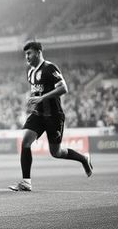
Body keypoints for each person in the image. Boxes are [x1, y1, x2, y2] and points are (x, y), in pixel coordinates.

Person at [9, 41, 92, 191]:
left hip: (54, 115)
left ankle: (83, 158)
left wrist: (42, 98)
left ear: (38, 52)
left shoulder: (49, 68)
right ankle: (26, 182)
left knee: (56, 152)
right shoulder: (30, 71)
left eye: (29, 53)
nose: (27, 57)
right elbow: (37, 91)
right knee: (25, 141)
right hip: (38, 115)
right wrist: (33, 100)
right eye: (25, 54)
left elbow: (64, 88)